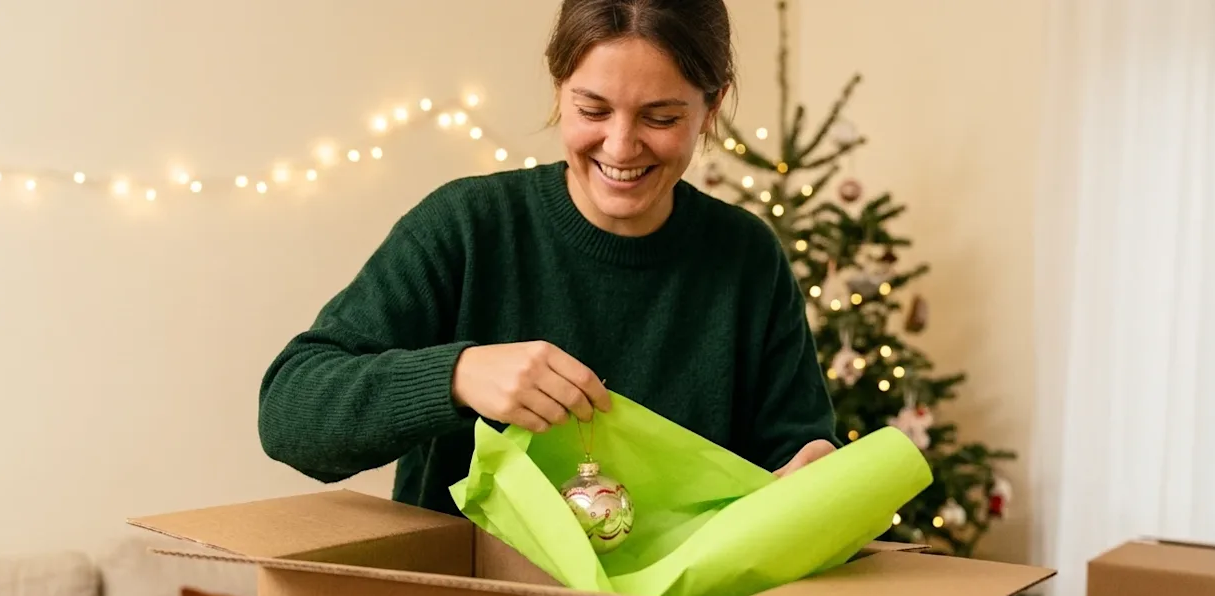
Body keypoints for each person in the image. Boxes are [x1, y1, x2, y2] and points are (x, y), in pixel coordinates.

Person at [257, 0, 839, 517]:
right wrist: (457, 376)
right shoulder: (465, 227)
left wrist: (815, 473)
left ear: (710, 111)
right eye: (592, 110)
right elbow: (288, 414)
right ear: (559, 89)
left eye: (661, 118)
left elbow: (798, 452)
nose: (620, 145)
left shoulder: (747, 260)